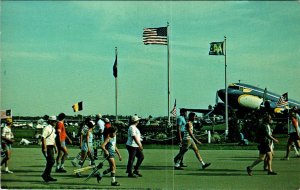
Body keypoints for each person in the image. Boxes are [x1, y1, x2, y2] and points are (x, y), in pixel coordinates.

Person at [41, 116, 58, 182]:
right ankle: (45, 174)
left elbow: (53, 139)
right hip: (47, 146)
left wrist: (55, 147)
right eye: (54, 121)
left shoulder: (53, 129)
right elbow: (43, 138)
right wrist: (44, 147)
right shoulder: (47, 128)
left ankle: (48, 175)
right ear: (50, 121)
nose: (55, 122)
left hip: (51, 146)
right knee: (51, 161)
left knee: (50, 162)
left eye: (55, 121)